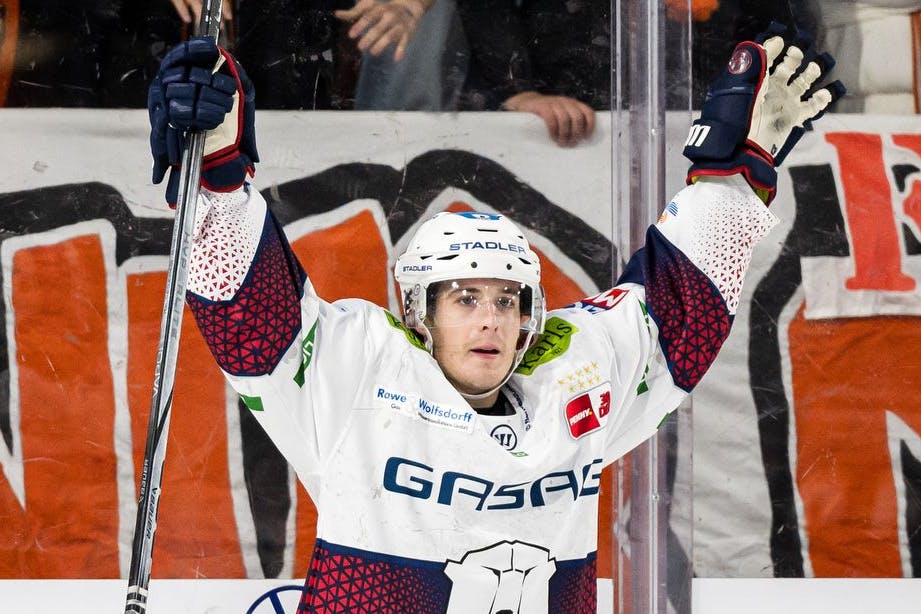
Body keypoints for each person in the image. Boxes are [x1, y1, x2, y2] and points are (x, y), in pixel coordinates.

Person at [146, 29, 843, 611]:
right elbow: (251, 314)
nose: (490, 321)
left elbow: (676, 314)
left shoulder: (573, 381)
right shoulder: (358, 373)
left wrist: (733, 175)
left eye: (507, 301)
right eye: (465, 299)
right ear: (419, 313)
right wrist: (217, 173)